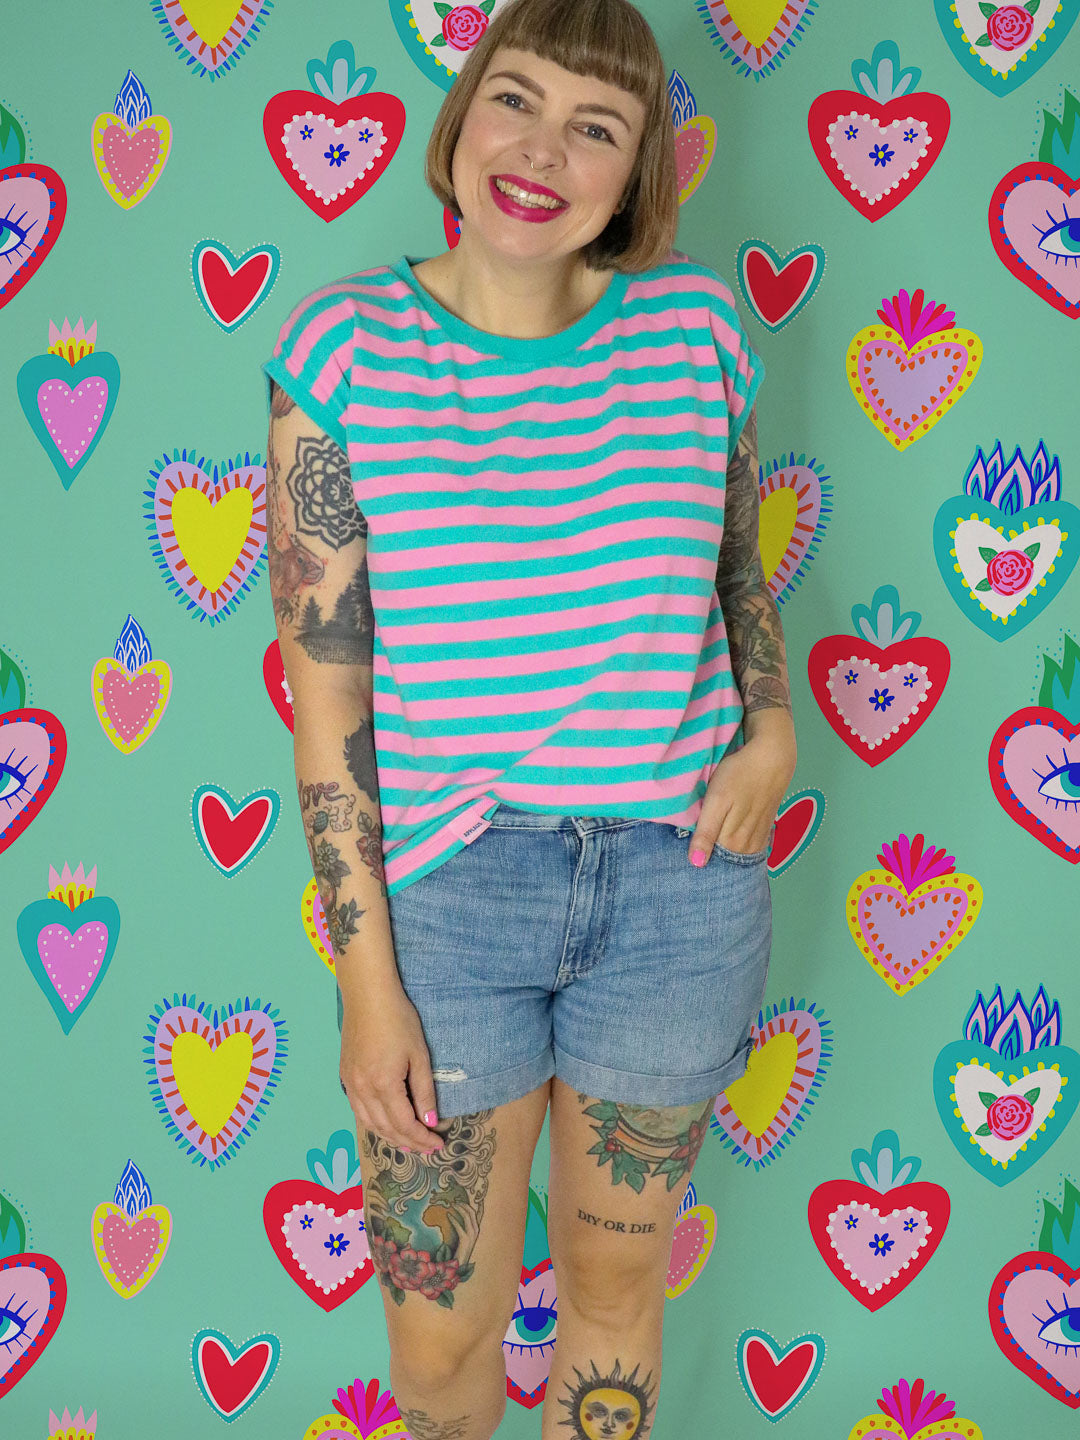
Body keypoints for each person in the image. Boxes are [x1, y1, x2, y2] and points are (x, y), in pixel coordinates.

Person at [262, 1, 796, 1435]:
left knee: (616, 1297)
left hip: (677, 889)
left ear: (637, 173)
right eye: (516, 99)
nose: (543, 149)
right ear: (461, 121)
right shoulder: (345, 350)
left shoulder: (695, 335)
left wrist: (772, 731)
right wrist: (365, 984)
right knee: (443, 1339)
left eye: (595, 125)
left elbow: (737, 570)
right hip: (451, 896)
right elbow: (328, 695)